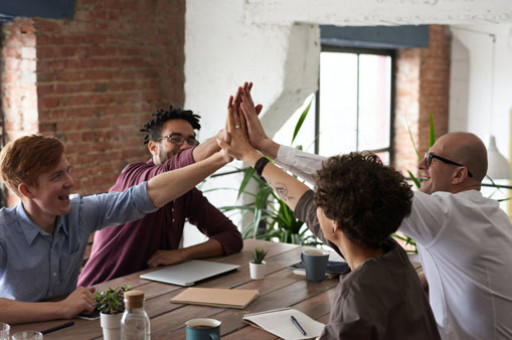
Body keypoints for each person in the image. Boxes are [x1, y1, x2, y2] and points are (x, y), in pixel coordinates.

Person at [237, 82, 512, 339]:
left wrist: (266, 149)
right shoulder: (488, 215)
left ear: (459, 174)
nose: (420, 164)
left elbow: (351, 182)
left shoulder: (446, 215)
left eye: (431, 159)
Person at [217, 93, 440, 339]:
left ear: (336, 222)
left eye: (320, 202)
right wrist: (251, 155)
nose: (314, 206)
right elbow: (303, 203)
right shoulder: (389, 253)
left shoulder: (357, 292)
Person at [0, 134, 231, 324]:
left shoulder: (79, 212)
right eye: (57, 176)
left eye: (67, 170)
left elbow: (144, 196)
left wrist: (220, 158)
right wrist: (61, 308)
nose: (70, 182)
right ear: (27, 191)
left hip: (72, 329)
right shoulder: (3, 229)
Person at [78, 106, 243, 286]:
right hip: (100, 294)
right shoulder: (134, 175)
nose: (186, 146)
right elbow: (170, 170)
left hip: (152, 292)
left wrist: (182, 254)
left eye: (191, 140)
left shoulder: (186, 193)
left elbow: (231, 237)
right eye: (175, 139)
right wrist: (222, 138)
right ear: (153, 147)